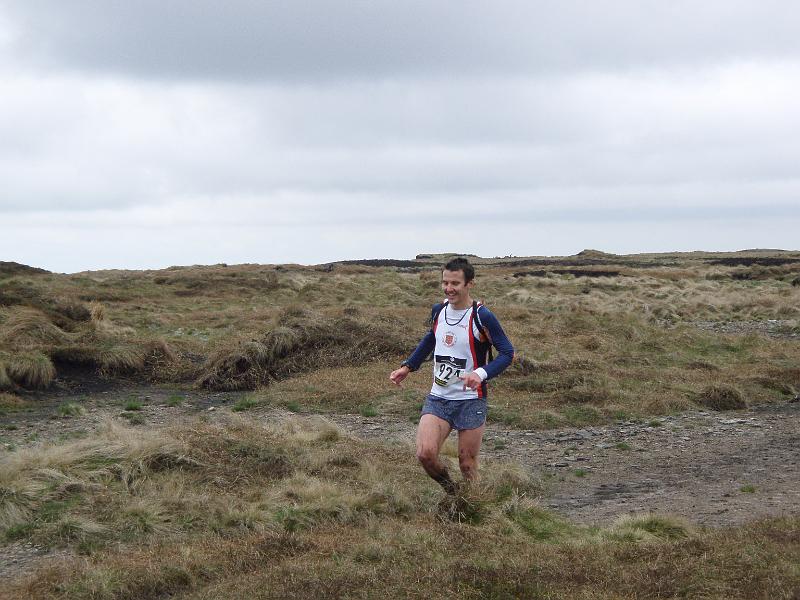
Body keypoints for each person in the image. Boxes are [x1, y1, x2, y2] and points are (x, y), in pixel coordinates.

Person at [389, 257, 514, 493]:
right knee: (425, 454)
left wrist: (480, 373)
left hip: (470, 400)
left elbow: (507, 353)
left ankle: (477, 506)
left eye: (455, 283)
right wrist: (408, 367)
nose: (449, 288)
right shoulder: (439, 310)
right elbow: (431, 339)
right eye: (445, 282)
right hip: (438, 398)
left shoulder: (482, 316)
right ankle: (453, 493)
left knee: (467, 465)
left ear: (469, 284)